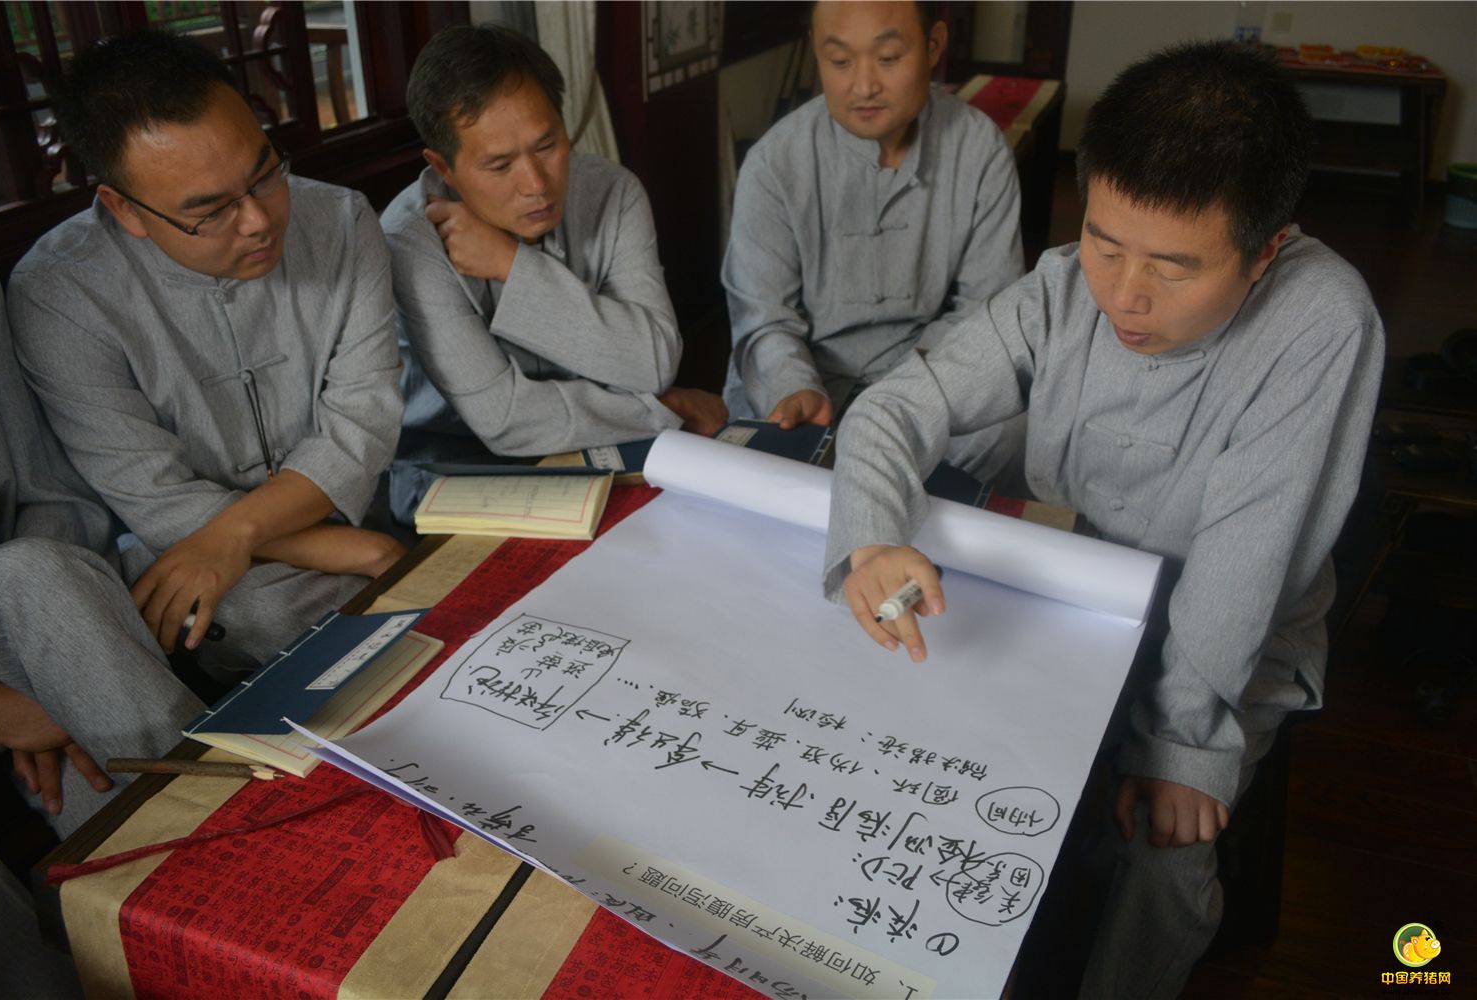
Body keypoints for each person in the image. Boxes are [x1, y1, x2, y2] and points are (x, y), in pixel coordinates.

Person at [826, 42, 1383, 997]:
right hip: (1086, 587)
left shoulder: (1322, 320)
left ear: (1266, 252)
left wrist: (1181, 747)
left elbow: (1245, 563)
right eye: (1105, 243)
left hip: (1231, 637)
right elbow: (894, 407)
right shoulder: (1062, 288)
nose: (1124, 296)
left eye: (1173, 267)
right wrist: (872, 537)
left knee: (1160, 845)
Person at [7, 30, 407, 676]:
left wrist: (241, 533)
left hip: (345, 517)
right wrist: (350, 551)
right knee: (278, 620)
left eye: (264, 173)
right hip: (190, 550)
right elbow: (154, 495)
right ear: (124, 209)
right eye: (210, 211)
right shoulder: (60, 294)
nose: (258, 220)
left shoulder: (341, 221)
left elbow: (362, 422)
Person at [383, 24, 726, 524]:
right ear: (444, 167)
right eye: (500, 165)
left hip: (601, 451)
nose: (536, 184)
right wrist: (658, 408)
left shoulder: (612, 192)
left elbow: (653, 361)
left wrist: (511, 264)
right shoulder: (410, 241)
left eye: (547, 145)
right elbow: (505, 420)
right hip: (455, 478)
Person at [721, 0, 1025, 482]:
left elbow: (984, 312)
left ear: (933, 46)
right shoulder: (774, 164)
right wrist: (794, 386)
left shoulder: (979, 151)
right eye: (840, 61)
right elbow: (763, 319)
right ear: (816, 52)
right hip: (805, 383)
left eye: (888, 58)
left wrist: (904, 396)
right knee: (771, 464)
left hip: (925, 375)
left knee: (1006, 429)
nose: (863, 86)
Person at [0, 239, 204, 839]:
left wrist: (30, 672)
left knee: (94, 790)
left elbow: (47, 492)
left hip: (11, 612)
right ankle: (245, 825)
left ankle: (241, 851)